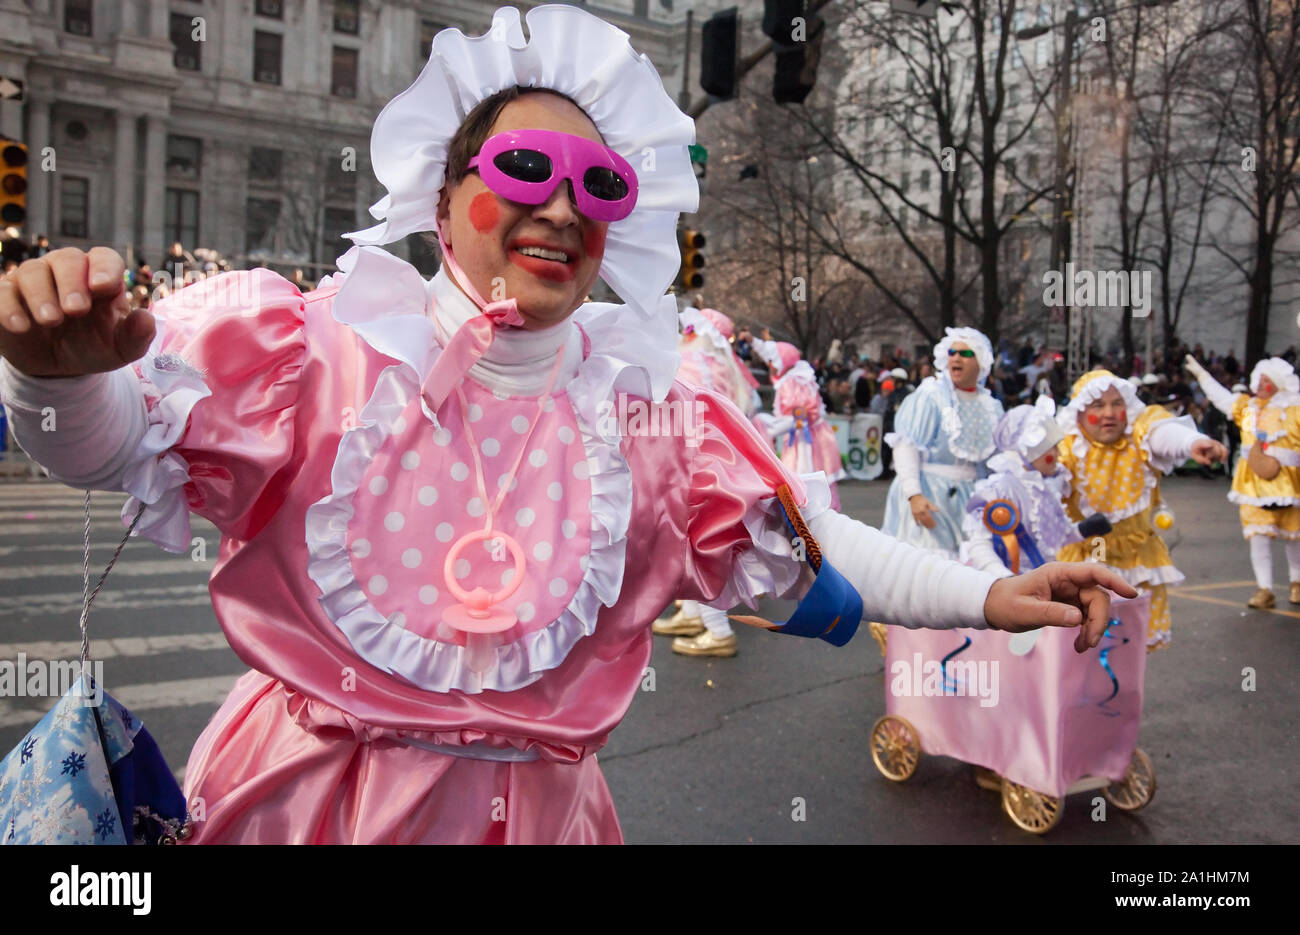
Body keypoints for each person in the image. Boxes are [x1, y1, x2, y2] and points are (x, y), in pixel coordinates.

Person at [0, 6, 1131, 845]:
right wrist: (50, 381)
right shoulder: (315, 350)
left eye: (594, 184)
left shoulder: (649, 412)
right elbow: (109, 447)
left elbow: (799, 548)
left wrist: (986, 594)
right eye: (521, 169)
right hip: (301, 811)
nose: (556, 208)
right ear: (442, 203)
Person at [1054, 370, 1227, 651]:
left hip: (1138, 557)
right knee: (1083, 647)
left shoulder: (1139, 435)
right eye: (1098, 405)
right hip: (1088, 555)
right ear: (1080, 413)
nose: (1109, 413)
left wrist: (1192, 442)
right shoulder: (1068, 448)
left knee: (1131, 648)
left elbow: (1163, 432)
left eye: (1117, 404)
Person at [1185, 355, 1300, 608]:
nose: (1260, 384)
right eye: (1259, 379)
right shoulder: (1247, 407)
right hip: (1252, 485)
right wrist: (1202, 375)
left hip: (1289, 485)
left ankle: (1297, 583)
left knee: (1295, 538)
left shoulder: (1294, 409)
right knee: (1258, 537)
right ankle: (1265, 589)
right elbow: (1220, 397)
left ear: (1280, 385)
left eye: (1267, 381)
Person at [881, 327, 1003, 559]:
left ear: (981, 361)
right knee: (929, 568)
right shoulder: (931, 395)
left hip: (972, 501)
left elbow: (995, 461)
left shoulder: (992, 405)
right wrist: (914, 494)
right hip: (930, 494)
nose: (956, 357)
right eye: (952, 352)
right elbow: (907, 445)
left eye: (965, 354)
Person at [963, 396, 1111, 577]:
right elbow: (979, 544)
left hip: (1040, 579)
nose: (1059, 455)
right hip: (1010, 584)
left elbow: (1053, 538)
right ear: (1030, 451)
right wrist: (1002, 577)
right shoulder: (1002, 489)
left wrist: (1083, 529)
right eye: (1052, 448)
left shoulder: (1042, 488)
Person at [752, 336, 846, 509]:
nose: (769, 365)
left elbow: (798, 417)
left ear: (782, 362)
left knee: (804, 485)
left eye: (773, 361)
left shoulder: (792, 382)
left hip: (806, 443)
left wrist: (765, 429)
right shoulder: (798, 376)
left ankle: (809, 525)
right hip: (810, 438)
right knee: (813, 485)